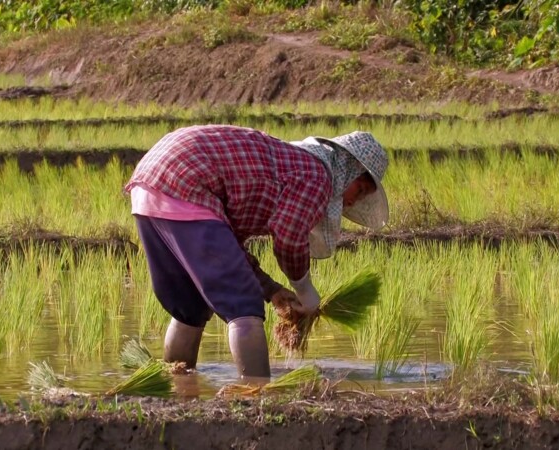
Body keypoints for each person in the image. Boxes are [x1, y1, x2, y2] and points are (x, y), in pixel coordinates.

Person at [124, 125, 389, 379]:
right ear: (348, 168)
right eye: (361, 189)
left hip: (150, 182)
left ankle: (178, 386)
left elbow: (229, 246)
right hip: (187, 178)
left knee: (190, 306)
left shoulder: (288, 165)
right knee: (243, 303)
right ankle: (256, 397)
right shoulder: (317, 175)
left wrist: (272, 290)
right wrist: (305, 290)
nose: (354, 200)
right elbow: (289, 238)